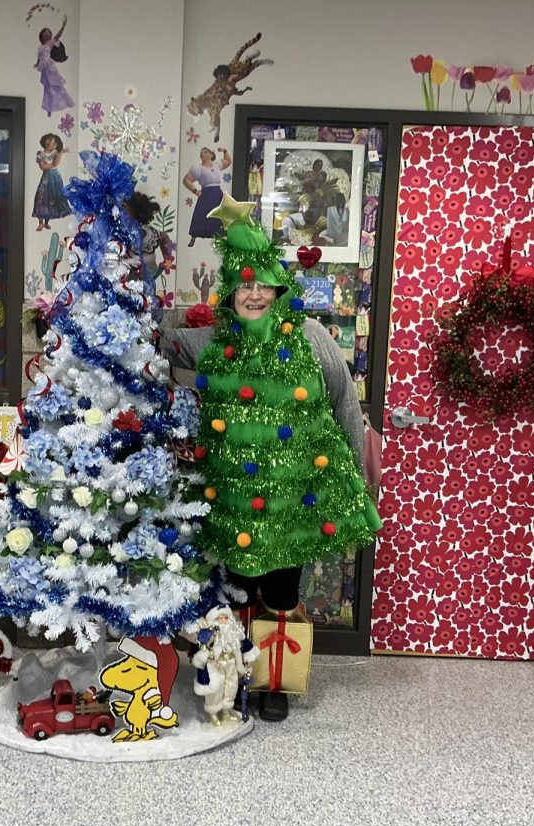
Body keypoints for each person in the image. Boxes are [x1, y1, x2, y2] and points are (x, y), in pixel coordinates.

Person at [160, 196, 381, 722]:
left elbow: (345, 403)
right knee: (236, 586)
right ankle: (234, 676)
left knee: (281, 589)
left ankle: (273, 683)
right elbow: (163, 343)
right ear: (232, 293)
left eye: (263, 285)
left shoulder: (311, 337)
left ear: (279, 289)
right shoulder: (214, 340)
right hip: (233, 499)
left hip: (294, 497)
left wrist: (352, 478)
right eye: (244, 285)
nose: (254, 294)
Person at [183, 146, 232, 247]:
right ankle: (193, 237)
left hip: (217, 193)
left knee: (220, 215)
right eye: (201, 153)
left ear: (211, 154)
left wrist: (225, 151)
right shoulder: (198, 169)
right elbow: (186, 180)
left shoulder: (217, 164)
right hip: (206, 193)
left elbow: (228, 161)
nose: (202, 154)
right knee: (201, 215)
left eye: (205, 152)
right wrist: (195, 191)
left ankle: (221, 237)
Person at [34, 16, 73, 116]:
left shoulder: (50, 43)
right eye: (45, 32)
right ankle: (49, 108)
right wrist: (37, 64)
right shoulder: (40, 47)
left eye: (48, 32)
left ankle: (68, 102)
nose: (47, 34)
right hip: (44, 69)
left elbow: (58, 35)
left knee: (57, 86)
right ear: (41, 35)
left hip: (50, 68)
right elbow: (40, 57)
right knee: (47, 89)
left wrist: (63, 25)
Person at [32, 134, 69, 231]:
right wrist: (51, 164)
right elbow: (43, 167)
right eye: (48, 142)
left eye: (53, 143)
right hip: (46, 178)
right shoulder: (40, 153)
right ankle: (40, 222)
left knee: (52, 198)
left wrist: (60, 154)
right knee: (42, 198)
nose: (50, 144)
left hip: (55, 177)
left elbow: (56, 164)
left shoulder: (55, 153)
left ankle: (46, 222)